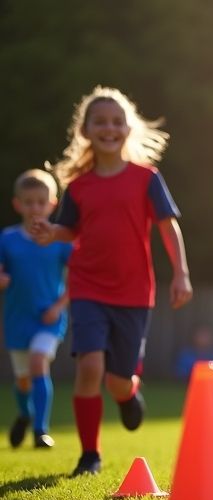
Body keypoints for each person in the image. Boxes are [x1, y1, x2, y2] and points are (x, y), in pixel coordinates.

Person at [32, 86, 192, 477]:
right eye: (100, 122)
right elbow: (69, 230)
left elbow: (168, 227)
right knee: (90, 367)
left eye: (117, 121)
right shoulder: (80, 186)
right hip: (88, 286)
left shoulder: (147, 178)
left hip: (134, 292)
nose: (109, 128)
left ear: (129, 129)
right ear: (85, 130)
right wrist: (51, 233)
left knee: (118, 381)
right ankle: (90, 455)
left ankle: (128, 394)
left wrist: (181, 273)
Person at [0, 170, 72, 449]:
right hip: (18, 319)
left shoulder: (60, 240)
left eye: (41, 202)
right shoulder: (7, 239)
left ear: (52, 203)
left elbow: (79, 277)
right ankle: (24, 413)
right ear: (17, 204)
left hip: (49, 319)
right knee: (22, 379)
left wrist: (59, 306)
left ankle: (41, 430)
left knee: (38, 362)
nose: (35, 208)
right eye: (28, 202)